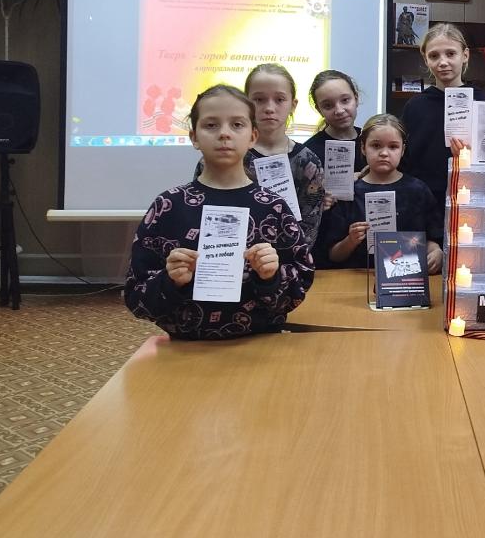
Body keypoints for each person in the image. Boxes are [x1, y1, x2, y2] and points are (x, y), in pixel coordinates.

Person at [125, 84, 313, 339]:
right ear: (194, 137)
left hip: (259, 343)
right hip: (186, 347)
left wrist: (270, 277)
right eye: (211, 125)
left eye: (237, 125)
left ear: (253, 137)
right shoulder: (168, 206)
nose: (224, 133)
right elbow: (136, 295)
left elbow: (300, 285)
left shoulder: (274, 207)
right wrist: (171, 280)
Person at [197, 64, 324, 247]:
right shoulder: (223, 156)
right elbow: (200, 214)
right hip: (226, 256)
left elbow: (309, 228)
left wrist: (278, 258)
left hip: (286, 260)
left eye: (279, 99)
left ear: (293, 105)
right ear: (246, 104)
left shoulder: (308, 162)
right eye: (259, 99)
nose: (269, 108)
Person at [317, 114, 444, 271]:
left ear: (403, 150)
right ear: (363, 148)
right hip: (359, 277)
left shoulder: (418, 191)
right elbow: (333, 255)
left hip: (406, 278)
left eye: (393, 146)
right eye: (376, 145)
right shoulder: (349, 193)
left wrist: (436, 252)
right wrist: (351, 240)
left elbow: (431, 238)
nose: (384, 153)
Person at [400, 23, 485, 216]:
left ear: (465, 55)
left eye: (450, 54)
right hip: (424, 202)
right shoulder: (415, 106)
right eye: (434, 56)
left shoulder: (483, 102)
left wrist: (473, 156)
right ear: (425, 59)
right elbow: (403, 158)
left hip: (473, 198)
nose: (443, 62)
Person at [303, 69, 366, 177]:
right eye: (328, 105)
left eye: (345, 100)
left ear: (356, 99)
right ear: (319, 110)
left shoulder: (372, 141)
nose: (339, 111)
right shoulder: (309, 153)